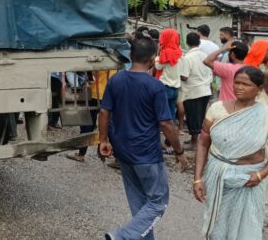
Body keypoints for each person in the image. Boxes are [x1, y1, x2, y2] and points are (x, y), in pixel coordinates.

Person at [99, 38, 188, 240]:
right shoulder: (155, 86)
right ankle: (122, 236)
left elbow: (104, 112)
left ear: (131, 56)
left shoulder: (116, 80)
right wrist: (179, 151)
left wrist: (103, 140)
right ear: (152, 59)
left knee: (139, 205)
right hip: (146, 153)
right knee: (158, 202)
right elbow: (166, 124)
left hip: (123, 150)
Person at [193, 66, 268, 239]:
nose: (239, 87)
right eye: (237, 82)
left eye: (246, 84)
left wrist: (261, 175)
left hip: (250, 179)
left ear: (259, 89)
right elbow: (203, 142)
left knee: (247, 227)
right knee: (218, 225)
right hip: (217, 174)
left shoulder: (264, 114)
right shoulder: (216, 108)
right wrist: (197, 178)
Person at [67, 69, 116, 163]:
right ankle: (114, 156)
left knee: (86, 125)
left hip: (95, 93)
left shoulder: (99, 62)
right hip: (110, 95)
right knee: (109, 126)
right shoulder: (118, 63)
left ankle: (81, 154)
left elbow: (92, 74)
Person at [180, 32, 213, 150]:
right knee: (200, 116)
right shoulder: (205, 55)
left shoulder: (188, 58)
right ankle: (196, 140)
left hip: (193, 91)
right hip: (206, 90)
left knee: (193, 116)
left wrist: (177, 74)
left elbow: (185, 76)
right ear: (199, 42)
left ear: (187, 43)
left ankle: (194, 142)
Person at [154, 29, 182, 127]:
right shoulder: (178, 51)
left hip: (165, 86)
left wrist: (157, 54)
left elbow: (158, 67)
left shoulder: (166, 52)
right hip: (175, 87)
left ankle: (164, 131)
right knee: (171, 112)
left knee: (162, 113)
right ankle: (171, 131)